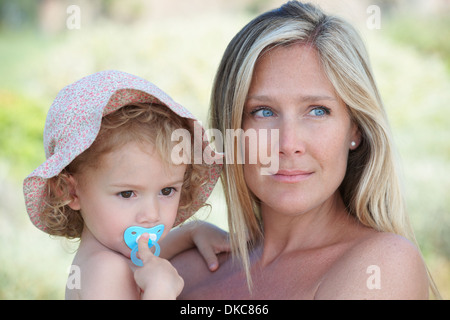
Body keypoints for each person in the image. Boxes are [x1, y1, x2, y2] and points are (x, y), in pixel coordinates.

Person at [139, 1, 441, 299]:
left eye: (318, 111)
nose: (288, 144)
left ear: (355, 129)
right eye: (263, 112)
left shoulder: (380, 265)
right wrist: (178, 238)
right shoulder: (179, 270)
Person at [23, 70, 227, 299]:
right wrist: (160, 292)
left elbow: (142, 253)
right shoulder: (106, 272)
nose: (151, 215)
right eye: (127, 194)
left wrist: (192, 231)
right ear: (70, 191)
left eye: (167, 190)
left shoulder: (102, 253)